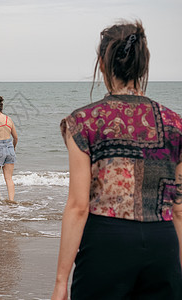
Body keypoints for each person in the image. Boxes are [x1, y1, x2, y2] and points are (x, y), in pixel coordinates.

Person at [51, 20, 182, 300]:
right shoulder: (176, 124)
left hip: (106, 244)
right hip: (163, 242)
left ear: (102, 63)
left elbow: (78, 206)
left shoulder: (83, 122)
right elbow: (180, 207)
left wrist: (61, 281)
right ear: (143, 65)